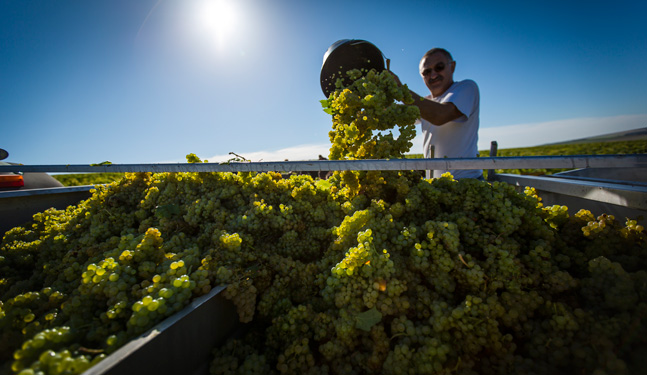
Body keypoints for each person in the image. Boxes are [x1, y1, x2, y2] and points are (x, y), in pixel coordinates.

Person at [393, 48, 482, 180]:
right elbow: (394, 114)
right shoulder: (425, 103)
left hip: (467, 182)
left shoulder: (467, 88)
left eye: (439, 67)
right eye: (427, 72)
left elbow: (439, 115)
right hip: (435, 185)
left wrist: (399, 90)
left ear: (452, 66)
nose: (433, 75)